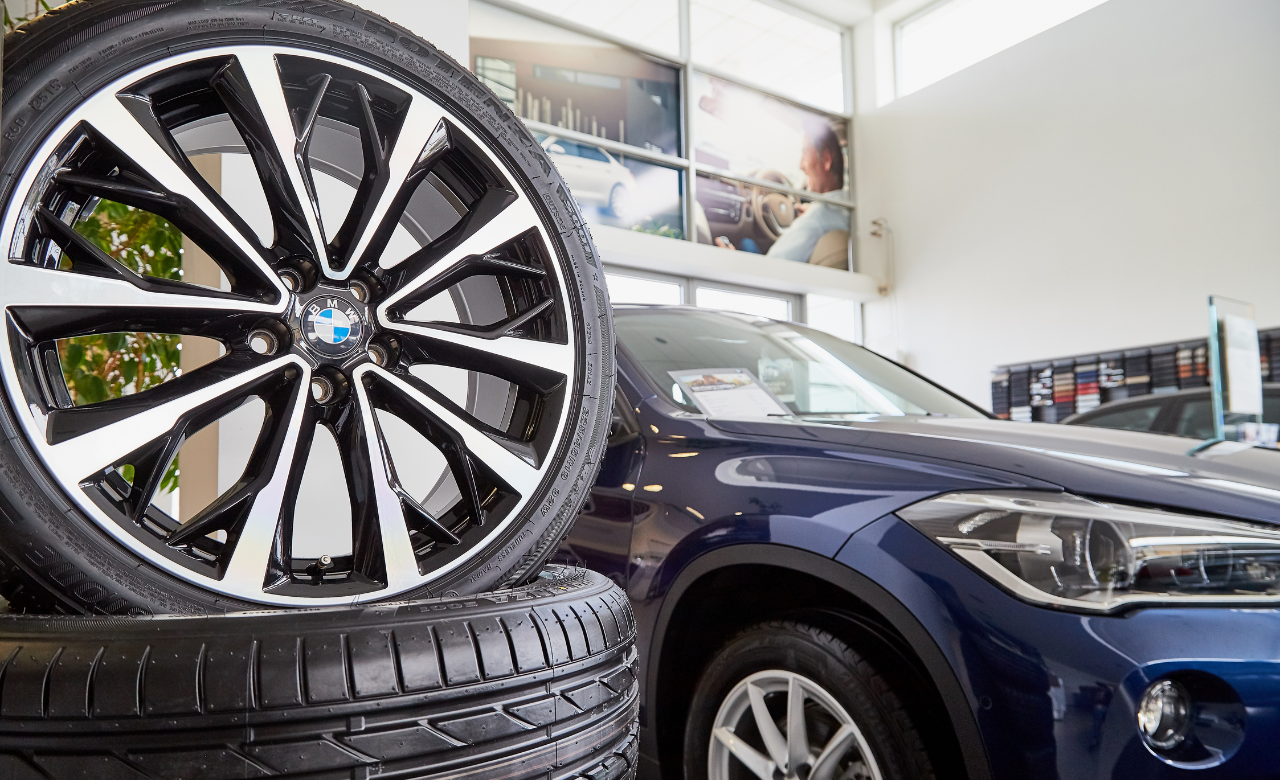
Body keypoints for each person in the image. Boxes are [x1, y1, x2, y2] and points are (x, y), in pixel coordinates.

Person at [715, 121, 847, 263]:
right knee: (749, 243)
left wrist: (732, 260)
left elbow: (770, 269)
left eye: (805, 153)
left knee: (746, 243)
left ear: (826, 160)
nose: (801, 165)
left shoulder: (815, 220)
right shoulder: (846, 212)